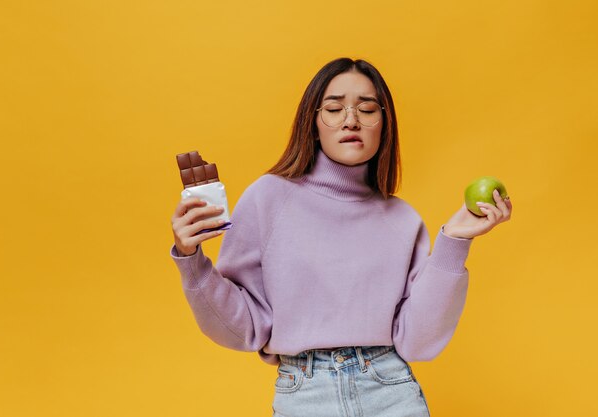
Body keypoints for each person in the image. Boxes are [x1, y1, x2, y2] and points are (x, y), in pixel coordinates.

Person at [170, 57, 512, 417]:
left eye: (366, 109)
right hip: (305, 396)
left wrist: (454, 242)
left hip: (391, 391)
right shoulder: (267, 199)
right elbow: (243, 329)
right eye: (334, 108)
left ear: (385, 126)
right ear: (314, 124)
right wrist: (191, 259)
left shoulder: (403, 219)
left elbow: (418, 341)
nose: (351, 120)